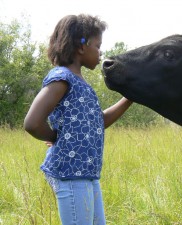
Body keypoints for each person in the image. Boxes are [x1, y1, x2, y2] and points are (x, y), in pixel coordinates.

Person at [24, 14, 132, 225]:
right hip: (71, 174)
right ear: (81, 46)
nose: (101, 52)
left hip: (88, 174)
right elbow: (32, 122)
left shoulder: (81, 84)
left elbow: (98, 122)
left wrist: (129, 98)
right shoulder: (62, 78)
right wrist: (57, 137)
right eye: (98, 46)